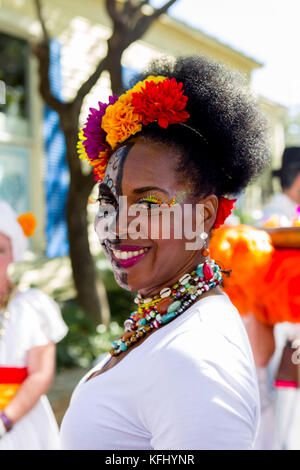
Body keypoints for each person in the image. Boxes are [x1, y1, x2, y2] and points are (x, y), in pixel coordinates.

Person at [60, 55, 270, 450]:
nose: (118, 226)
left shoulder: (196, 359)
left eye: (150, 205)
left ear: (205, 215)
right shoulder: (168, 320)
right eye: (108, 202)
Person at [0, 201, 68, 450]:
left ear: (13, 255)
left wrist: (5, 421)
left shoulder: (30, 305)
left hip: (21, 424)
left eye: (0, 249)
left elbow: (41, 373)